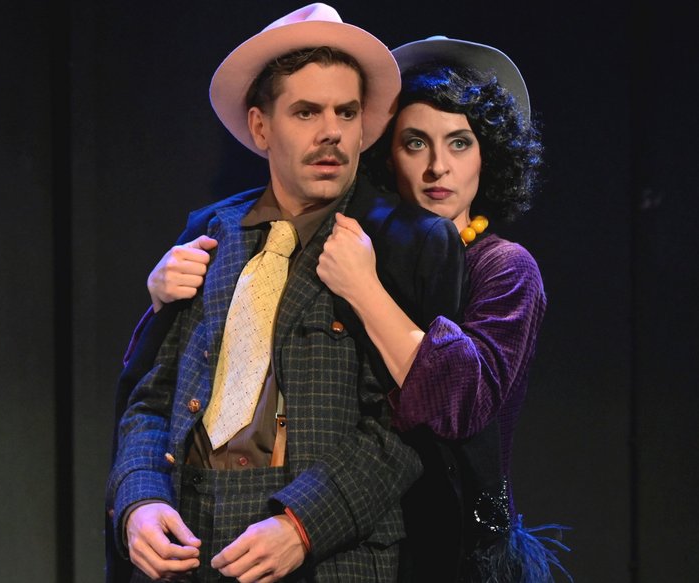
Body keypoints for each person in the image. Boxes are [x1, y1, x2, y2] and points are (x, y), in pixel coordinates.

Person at [105, 5, 466, 582]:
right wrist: (140, 498)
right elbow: (152, 397)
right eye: (306, 112)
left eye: (346, 112)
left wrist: (303, 524)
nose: (331, 131)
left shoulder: (406, 242)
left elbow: (409, 426)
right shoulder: (212, 232)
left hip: (326, 556)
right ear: (260, 128)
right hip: (188, 547)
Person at [316, 36, 572, 581]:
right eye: (416, 143)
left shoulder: (505, 267)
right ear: (388, 155)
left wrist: (364, 290)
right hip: (354, 534)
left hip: (459, 547)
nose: (438, 167)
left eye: (459, 143)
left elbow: (460, 402)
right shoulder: (358, 247)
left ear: (487, 156)